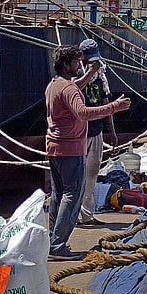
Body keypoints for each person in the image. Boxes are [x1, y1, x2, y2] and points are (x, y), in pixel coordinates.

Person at [45, 45, 129, 260]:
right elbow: (82, 113)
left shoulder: (55, 85)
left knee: (58, 195)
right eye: (76, 62)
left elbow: (74, 87)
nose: (79, 65)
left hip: (54, 147)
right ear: (66, 64)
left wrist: (92, 73)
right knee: (73, 194)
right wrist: (114, 107)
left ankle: (52, 240)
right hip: (71, 148)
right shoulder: (70, 89)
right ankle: (58, 245)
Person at [77, 38, 116, 226]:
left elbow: (105, 104)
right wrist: (90, 71)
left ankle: (87, 215)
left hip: (96, 131)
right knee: (76, 177)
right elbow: (73, 90)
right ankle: (72, 215)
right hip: (78, 134)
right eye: (89, 60)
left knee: (91, 176)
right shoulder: (74, 75)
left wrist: (112, 131)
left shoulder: (101, 76)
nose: (92, 64)